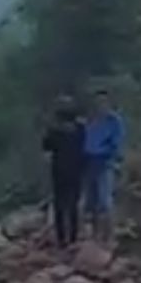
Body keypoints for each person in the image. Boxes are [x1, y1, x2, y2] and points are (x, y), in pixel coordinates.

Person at [42, 94, 86, 247]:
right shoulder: (81, 129)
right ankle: (72, 237)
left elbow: (46, 154)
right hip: (76, 170)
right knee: (73, 204)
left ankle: (62, 239)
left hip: (59, 171)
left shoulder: (53, 130)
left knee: (60, 205)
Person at [83, 89, 126, 244]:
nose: (100, 105)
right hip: (88, 163)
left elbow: (117, 144)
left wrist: (114, 160)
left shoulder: (114, 121)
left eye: (103, 101)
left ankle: (109, 237)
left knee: (105, 201)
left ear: (108, 102)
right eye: (97, 101)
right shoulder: (90, 120)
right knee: (91, 201)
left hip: (105, 162)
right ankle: (95, 236)